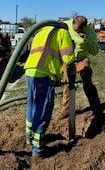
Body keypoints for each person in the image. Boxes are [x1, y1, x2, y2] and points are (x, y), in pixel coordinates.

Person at [24, 24, 75, 157]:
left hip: (30, 72)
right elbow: (68, 59)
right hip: (43, 75)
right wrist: (72, 48)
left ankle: (29, 138)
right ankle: (38, 149)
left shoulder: (42, 31)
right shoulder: (63, 32)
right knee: (43, 110)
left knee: (32, 106)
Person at [56, 16, 104, 137]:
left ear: (84, 28)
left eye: (79, 31)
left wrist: (87, 41)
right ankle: (66, 109)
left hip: (82, 58)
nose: (77, 32)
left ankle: (96, 109)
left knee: (87, 77)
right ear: (72, 23)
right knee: (67, 84)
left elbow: (94, 52)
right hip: (68, 59)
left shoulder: (91, 32)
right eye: (75, 30)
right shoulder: (65, 25)